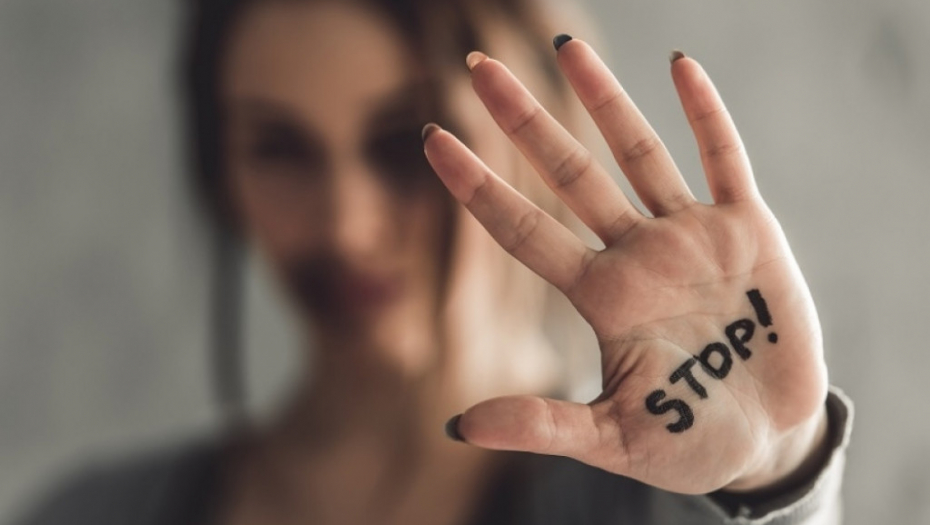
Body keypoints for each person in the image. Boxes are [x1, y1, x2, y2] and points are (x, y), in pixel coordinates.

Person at [14, 0, 852, 523]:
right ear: (218, 170)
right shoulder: (89, 514)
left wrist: (777, 470)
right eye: (279, 148)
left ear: (533, 141)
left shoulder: (657, 506)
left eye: (404, 145)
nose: (346, 226)